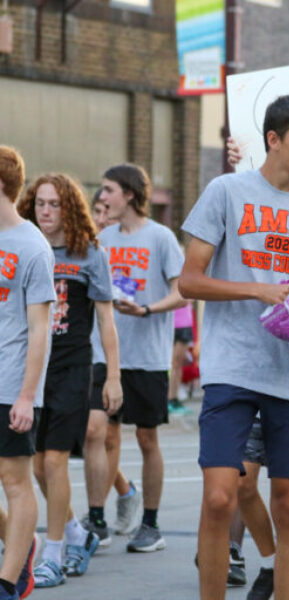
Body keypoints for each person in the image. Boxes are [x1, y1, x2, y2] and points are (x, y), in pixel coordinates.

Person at [180, 94, 289, 600]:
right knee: (220, 496)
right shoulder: (226, 191)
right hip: (232, 367)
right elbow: (189, 281)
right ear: (274, 140)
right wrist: (257, 288)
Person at [17, 174, 122, 586]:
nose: (46, 211)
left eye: (54, 204)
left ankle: (56, 553)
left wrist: (112, 377)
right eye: (40, 203)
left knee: (56, 460)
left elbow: (107, 320)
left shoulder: (89, 253)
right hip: (32, 369)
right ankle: (78, 533)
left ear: (70, 209)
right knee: (39, 465)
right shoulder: (26, 246)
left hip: (73, 368)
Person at [99, 163, 186, 552]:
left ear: (129, 194)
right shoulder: (103, 238)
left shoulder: (161, 238)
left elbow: (183, 292)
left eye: (108, 190)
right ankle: (97, 517)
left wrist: (147, 310)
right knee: (100, 434)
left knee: (148, 439)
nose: (102, 198)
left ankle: (150, 524)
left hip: (148, 356)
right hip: (106, 354)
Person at [0, 146, 55, 600]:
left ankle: (8, 579)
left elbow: (40, 330)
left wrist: (26, 395)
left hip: (11, 383)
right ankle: (19, 545)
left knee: (14, 480)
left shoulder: (32, 246)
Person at [84, 190, 141, 544]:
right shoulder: (66, 250)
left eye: (107, 211)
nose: (102, 218)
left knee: (100, 432)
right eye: (98, 211)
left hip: (109, 355)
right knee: (83, 438)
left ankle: (96, 517)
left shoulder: (103, 252)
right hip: (70, 355)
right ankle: (124, 489)